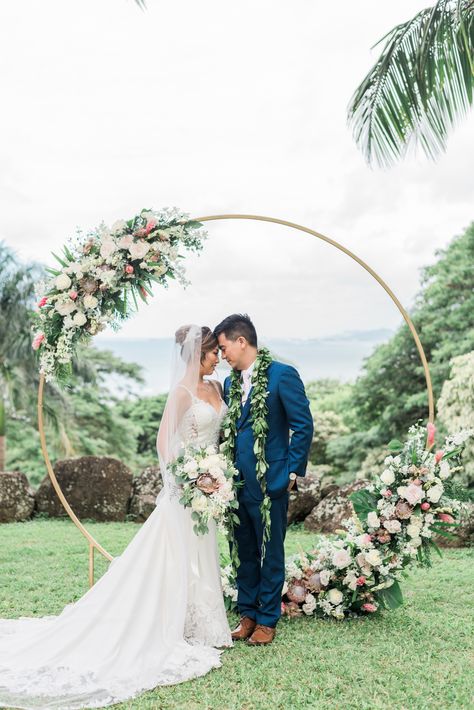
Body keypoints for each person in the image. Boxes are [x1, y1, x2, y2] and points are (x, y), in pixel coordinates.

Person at [0, 325, 231, 709]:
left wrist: (216, 475)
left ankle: (201, 622)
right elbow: (164, 443)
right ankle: (172, 621)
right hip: (188, 490)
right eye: (213, 353)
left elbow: (217, 436)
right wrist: (191, 478)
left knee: (202, 551)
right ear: (198, 354)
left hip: (212, 487)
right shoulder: (181, 393)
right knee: (174, 555)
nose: (218, 359)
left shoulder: (218, 389)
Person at [214, 314, 314, 645]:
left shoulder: (282, 375)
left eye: (224, 347)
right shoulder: (230, 383)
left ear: (242, 341)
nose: (222, 355)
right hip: (236, 484)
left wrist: (291, 473)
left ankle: (268, 619)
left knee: (269, 552)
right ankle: (247, 615)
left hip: (271, 481)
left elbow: (303, 425)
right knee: (241, 549)